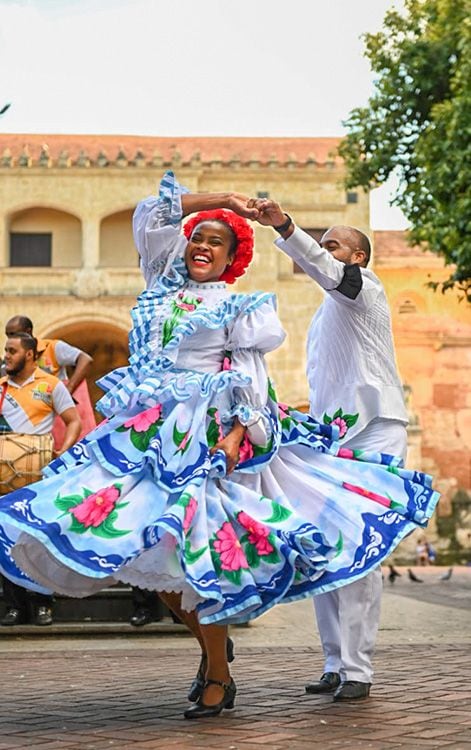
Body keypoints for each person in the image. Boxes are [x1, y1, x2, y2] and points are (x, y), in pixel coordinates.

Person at [0, 173, 438, 718]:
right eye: (196, 237)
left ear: (233, 256)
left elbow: (249, 374)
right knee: (140, 551)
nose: (202, 245)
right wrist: (223, 202)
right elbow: (148, 213)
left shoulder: (277, 301)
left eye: (217, 240)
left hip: (210, 438)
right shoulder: (161, 280)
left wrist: (238, 433)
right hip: (146, 433)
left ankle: (283, 669)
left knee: (212, 552)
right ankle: (238, 652)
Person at [251, 198, 411, 702]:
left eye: (334, 244)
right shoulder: (324, 316)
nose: (323, 251)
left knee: (359, 548)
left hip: (376, 431)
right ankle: (334, 662)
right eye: (322, 246)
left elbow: (328, 272)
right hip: (332, 439)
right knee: (322, 547)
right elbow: (334, 384)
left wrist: (284, 227)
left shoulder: (364, 290)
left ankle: (359, 671)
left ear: (358, 258)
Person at [0, 332, 81, 626]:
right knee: (5, 539)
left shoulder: (50, 385)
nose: (6, 356)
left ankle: (43, 603)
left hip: (38, 474)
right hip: (5, 476)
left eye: (12, 351)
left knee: (36, 539)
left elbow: (74, 420)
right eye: (6, 351)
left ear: (31, 354)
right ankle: (14, 605)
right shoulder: (2, 388)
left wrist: (63, 450)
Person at [4, 316, 95, 450]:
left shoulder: (52, 347)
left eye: (14, 334)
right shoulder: (12, 361)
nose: (10, 339)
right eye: (8, 335)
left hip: (56, 409)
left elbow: (85, 359)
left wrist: (69, 389)